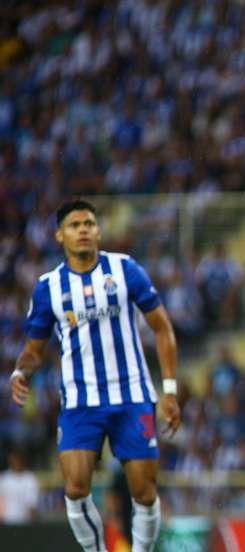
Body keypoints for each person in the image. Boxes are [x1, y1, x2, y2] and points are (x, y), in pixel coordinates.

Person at [9, 199, 181, 552]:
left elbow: (162, 330)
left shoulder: (125, 270)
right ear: (60, 235)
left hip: (132, 396)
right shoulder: (48, 288)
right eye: (74, 225)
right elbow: (35, 349)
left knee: (145, 492)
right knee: (74, 487)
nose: (83, 229)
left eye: (89, 223)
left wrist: (170, 390)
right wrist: (20, 371)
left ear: (99, 231)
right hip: (80, 401)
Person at [0, 451, 40, 524]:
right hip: (6, 521)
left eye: (18, 460)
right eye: (14, 460)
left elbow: (32, 503)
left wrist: (32, 520)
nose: (16, 463)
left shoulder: (30, 478)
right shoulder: (4, 478)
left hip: (25, 522)